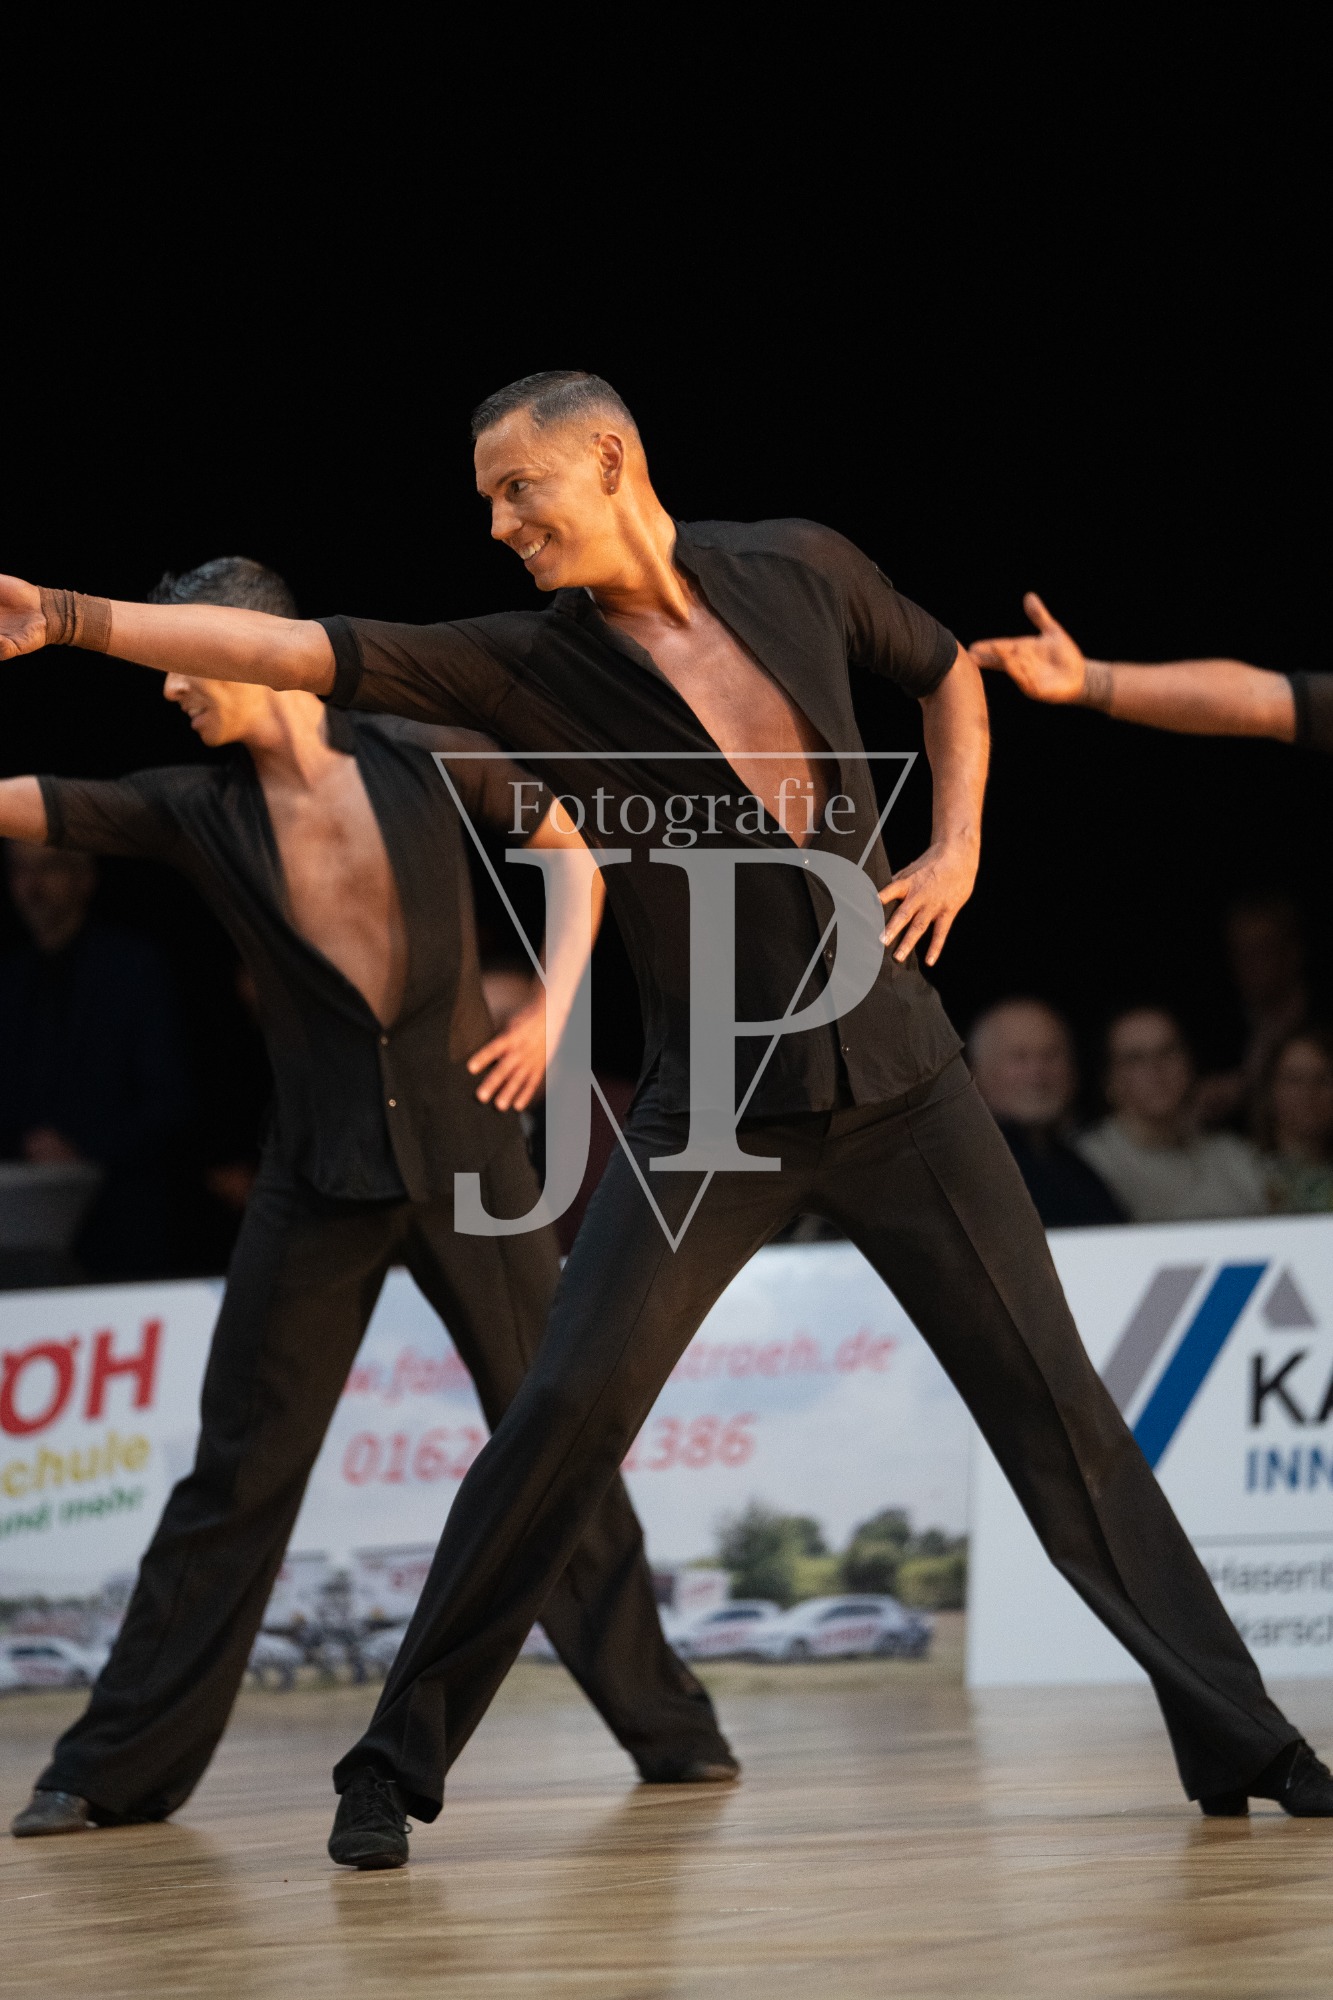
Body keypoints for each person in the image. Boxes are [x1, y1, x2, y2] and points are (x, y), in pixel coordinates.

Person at [4, 373, 1329, 1867]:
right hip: (716, 1122)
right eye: (486, 500)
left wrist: (956, 841)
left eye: (515, 489)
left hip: (905, 1086)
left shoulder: (799, 566)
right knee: (560, 1412)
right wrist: (74, 617)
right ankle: (390, 1763)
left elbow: (946, 673)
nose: (497, 523)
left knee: (1058, 1409)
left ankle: (1242, 1735)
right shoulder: (524, 667)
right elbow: (296, 649)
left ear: (608, 457)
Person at [5, 554, 736, 1843]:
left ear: (250, 646)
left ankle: (668, 1726)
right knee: (237, 1473)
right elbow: (29, 805)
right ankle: (111, 1764)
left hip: (472, 1165)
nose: (167, 686)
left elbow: (571, 843)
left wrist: (555, 1007)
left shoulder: (424, 754)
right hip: (318, 1178)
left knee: (551, 1438)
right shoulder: (194, 807)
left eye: (180, 659)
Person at [0, 841, 190, 1280]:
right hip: (22, 1228)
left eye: (48, 868)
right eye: (19, 870)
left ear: (84, 879)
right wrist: (26, 1145)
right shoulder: (9, 983)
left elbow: (169, 1099)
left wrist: (82, 1148)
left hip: (120, 1226)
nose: (32, 885)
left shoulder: (133, 970)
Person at [1077, 1008, 1266, 1223]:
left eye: (1168, 1052)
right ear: (1109, 1080)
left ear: (1189, 1063)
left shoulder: (1235, 1157)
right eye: (1135, 1059)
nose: (1155, 1069)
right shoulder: (1086, 1164)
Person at [968, 998, 1124, 1227]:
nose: (1037, 1073)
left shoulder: (1076, 1168)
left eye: (1050, 1055)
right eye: (1019, 1057)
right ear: (975, 1074)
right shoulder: (960, 1170)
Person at [1256, 1025, 1333, 1213]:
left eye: (1322, 1079)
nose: (1308, 1092)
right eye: (1294, 1080)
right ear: (1270, 1090)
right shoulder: (1240, 1172)